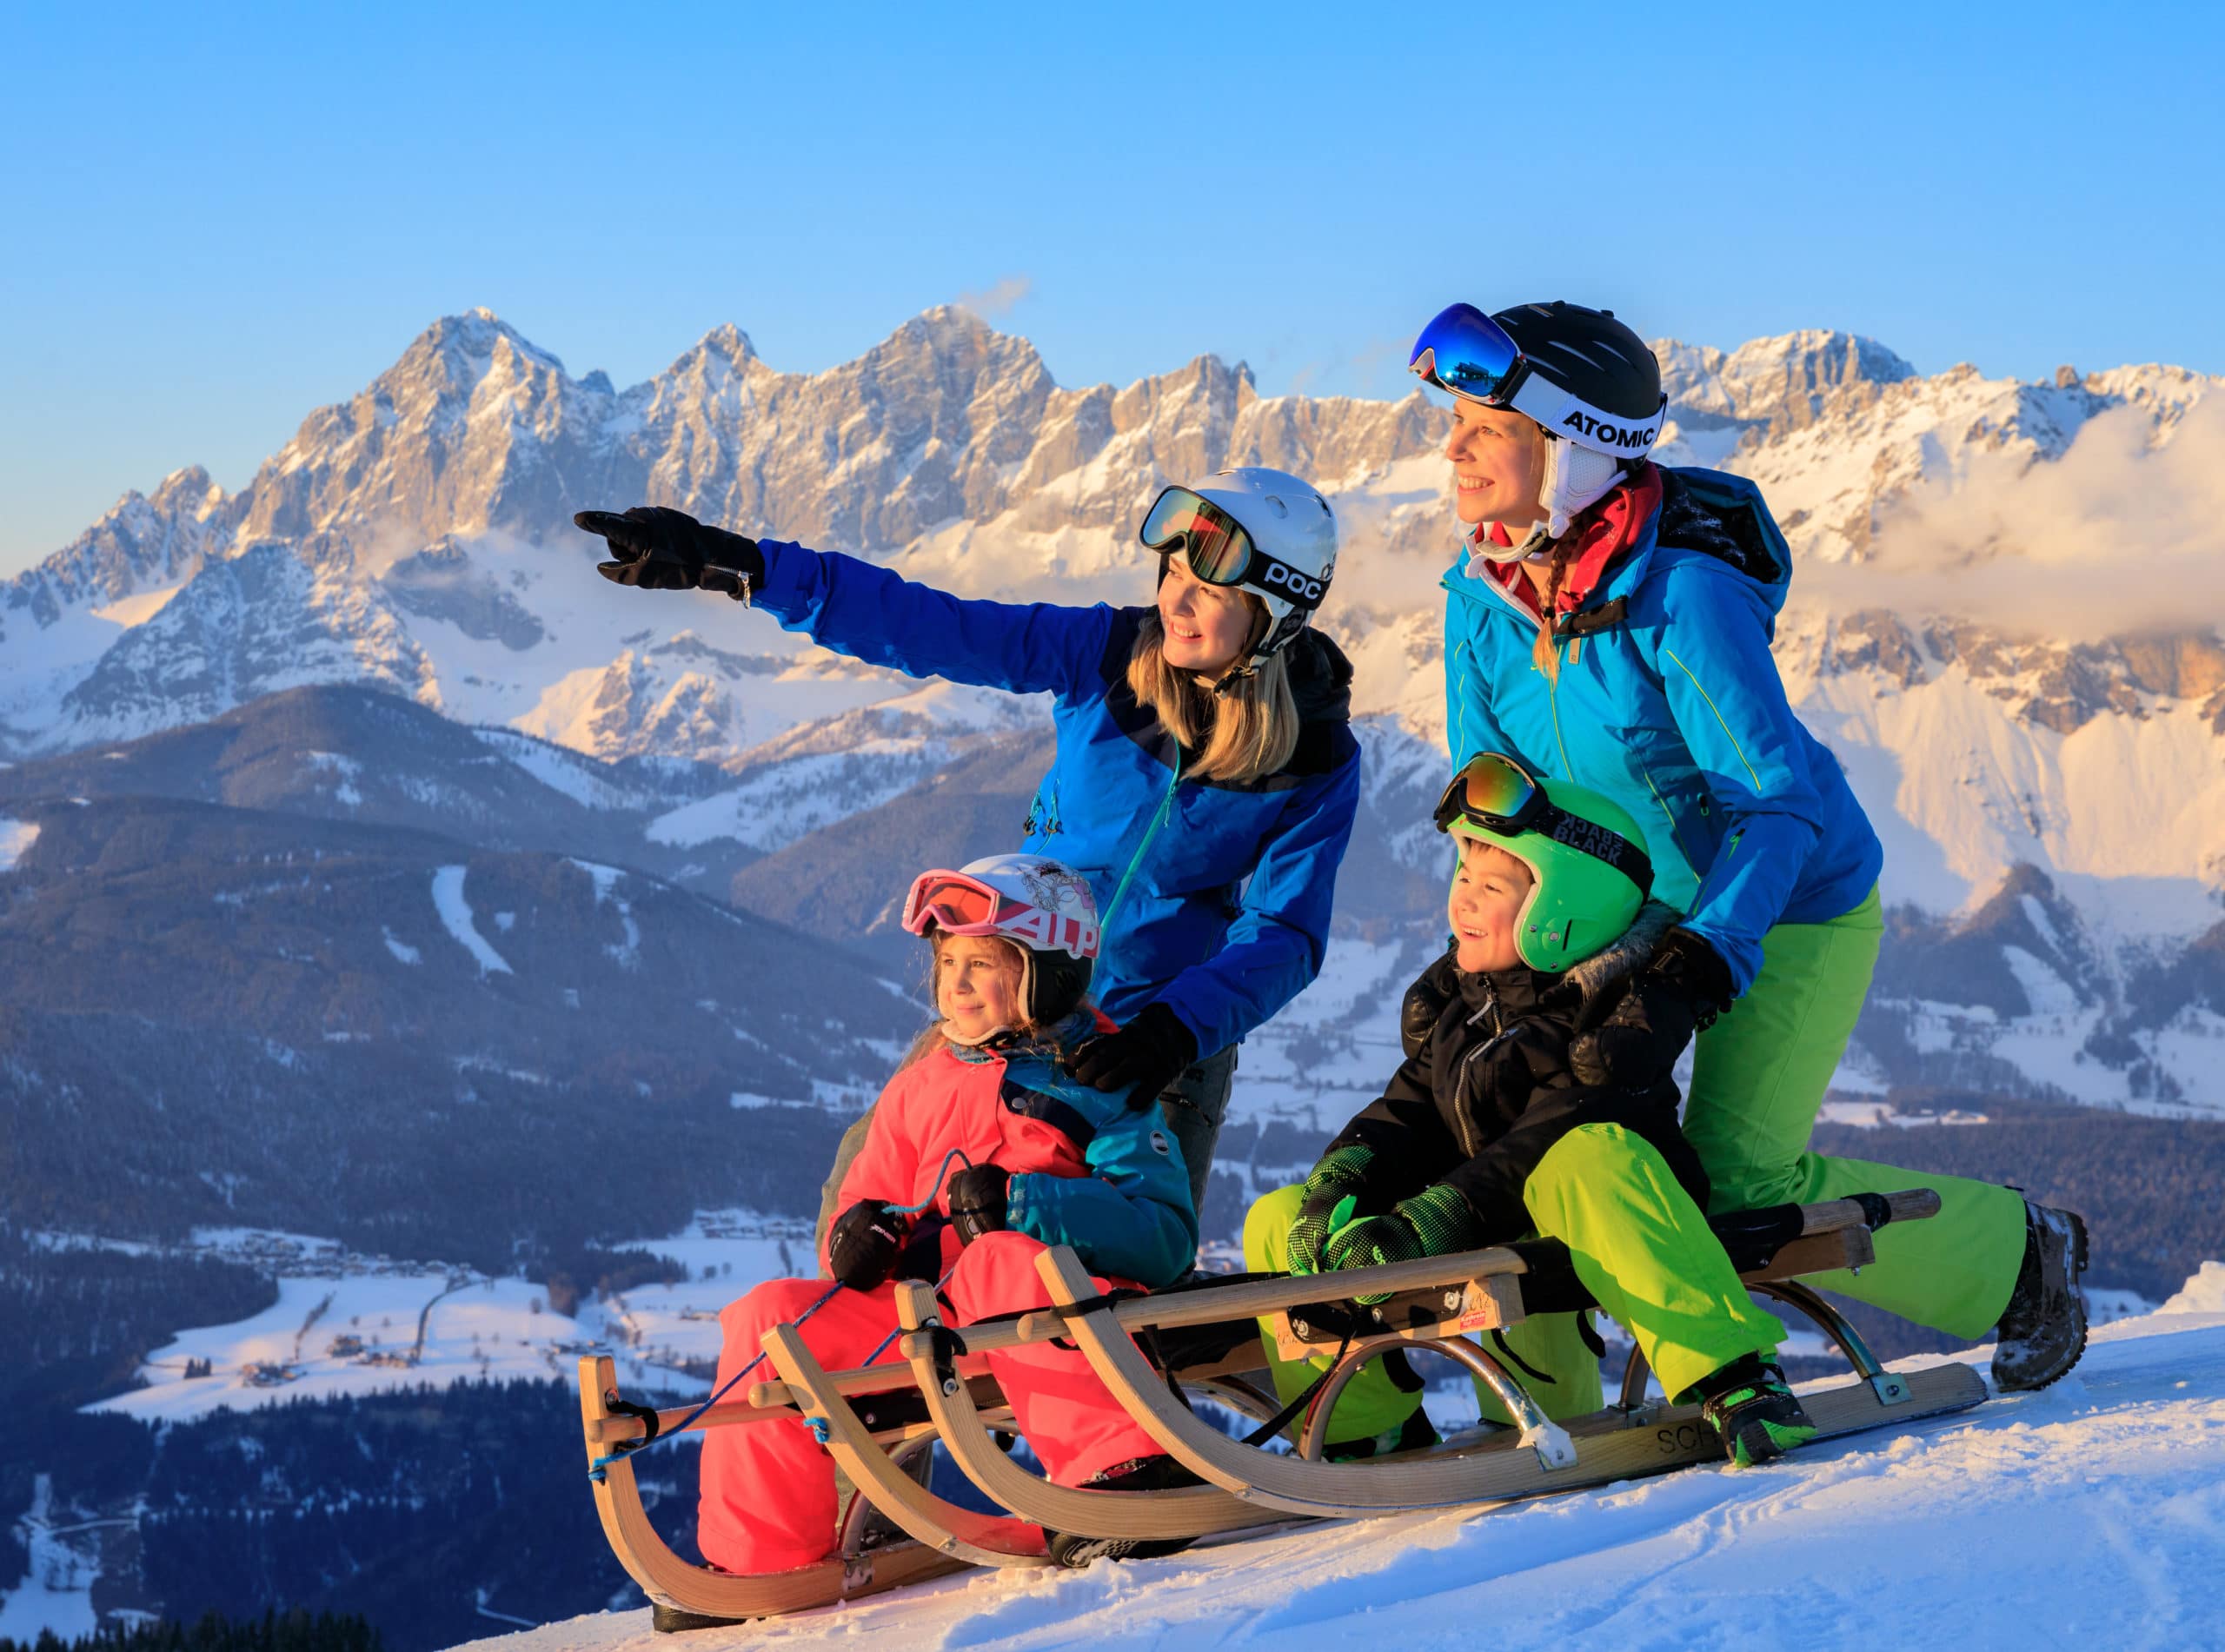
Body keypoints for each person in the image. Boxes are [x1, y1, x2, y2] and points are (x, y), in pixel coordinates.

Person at [1409, 299, 2087, 1389]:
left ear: (1568, 447)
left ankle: (2018, 1255)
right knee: (1517, 1127)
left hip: (1783, 899)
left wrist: (1697, 958)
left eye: (1482, 427)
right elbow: (1494, 805)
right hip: (1611, 912)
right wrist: (1479, 945)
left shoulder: (1683, 595)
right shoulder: (1477, 598)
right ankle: (1549, 1402)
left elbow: (1774, 804)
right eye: (1455, 422)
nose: (1451, 447)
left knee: (1736, 1175)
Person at [576, 470, 1360, 1228]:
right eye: (1171, 571)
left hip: (1155, 1051)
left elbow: (1285, 932)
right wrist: (740, 564)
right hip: (1006, 1004)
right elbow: (936, 626)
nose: (1175, 599)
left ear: (1275, 614)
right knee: (865, 1216)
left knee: (1125, 1269)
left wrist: (1177, 1028)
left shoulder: (1317, 755)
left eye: (1211, 589)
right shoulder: (1107, 653)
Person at [1248, 757, 1813, 1466]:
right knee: (1280, 1219)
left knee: (1585, 1158)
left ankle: (1735, 1376)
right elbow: (1405, 1110)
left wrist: (1432, 1219)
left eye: (1492, 886)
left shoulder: (1608, 1031)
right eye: (1462, 876)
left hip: (1598, 1235)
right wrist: (1342, 1180)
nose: (1464, 900)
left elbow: (1538, 1145)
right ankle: (1367, 1425)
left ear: (1563, 908)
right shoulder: (1463, 1009)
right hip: (1495, 1225)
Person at [694, 854, 1201, 1582]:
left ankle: (1121, 1471)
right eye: (948, 960)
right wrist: (857, 1238)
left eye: (982, 963)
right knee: (769, 1316)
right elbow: (868, 1194)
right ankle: (760, 1553)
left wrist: (1025, 1206)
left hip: (1059, 1315)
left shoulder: (1098, 1079)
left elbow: (1163, 1232)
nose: (955, 982)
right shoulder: (921, 1086)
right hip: (931, 1325)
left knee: (998, 1257)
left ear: (1044, 971)